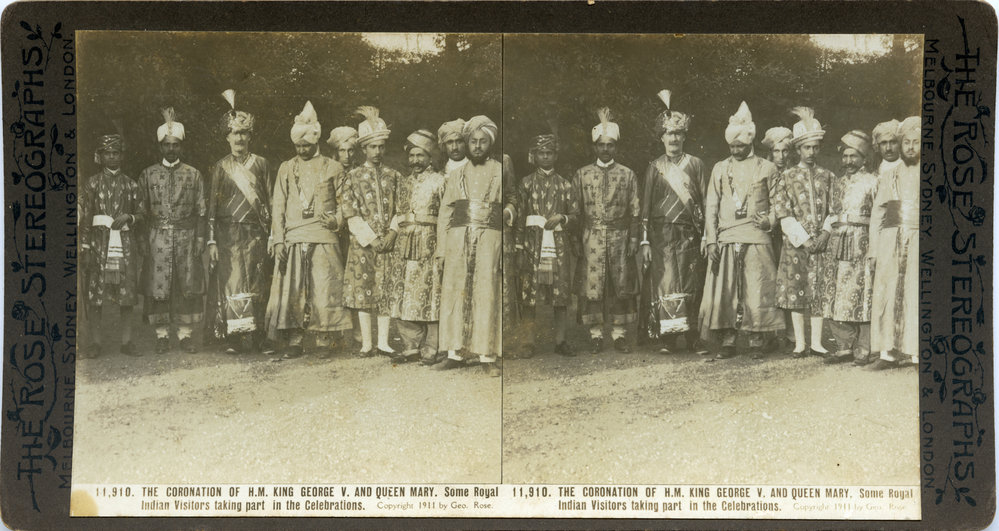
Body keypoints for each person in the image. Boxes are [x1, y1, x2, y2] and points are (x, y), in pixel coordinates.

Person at [265, 101, 352, 359]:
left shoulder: (333, 168)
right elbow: (278, 206)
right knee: (294, 289)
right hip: (293, 238)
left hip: (324, 238)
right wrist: (278, 241)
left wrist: (336, 221)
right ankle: (295, 338)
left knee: (323, 286)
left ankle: (324, 337)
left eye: (307, 145)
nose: (302, 150)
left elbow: (344, 203)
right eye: (298, 146)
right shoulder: (286, 168)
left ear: (317, 143)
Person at [699, 102, 784, 359]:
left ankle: (757, 339)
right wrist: (711, 241)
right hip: (726, 237)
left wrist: (770, 221)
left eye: (741, 147)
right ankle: (728, 339)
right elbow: (711, 206)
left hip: (757, 237)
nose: (736, 151)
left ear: (751, 144)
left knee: (756, 287)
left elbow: (779, 202)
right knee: (726, 289)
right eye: (732, 147)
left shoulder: (767, 168)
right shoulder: (720, 168)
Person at [638, 90, 707, 355]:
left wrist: (706, 236)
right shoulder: (654, 167)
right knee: (665, 283)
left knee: (691, 282)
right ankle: (668, 338)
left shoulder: (696, 164)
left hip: (690, 234)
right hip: (661, 235)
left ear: (684, 137)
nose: (674, 139)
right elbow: (645, 207)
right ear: (662, 137)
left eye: (678, 134)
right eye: (669, 134)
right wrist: (644, 241)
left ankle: (692, 338)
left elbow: (704, 200)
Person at [434, 115, 504, 376]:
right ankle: (454, 353)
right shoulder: (457, 173)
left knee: (486, 290)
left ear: (490, 143)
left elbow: (512, 201)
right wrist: (442, 249)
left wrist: (508, 212)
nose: (477, 146)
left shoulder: (500, 170)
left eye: (482, 142)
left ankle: (487, 355)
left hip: (489, 236)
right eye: (472, 141)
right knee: (456, 289)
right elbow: (446, 211)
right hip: (458, 238)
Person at [206, 90, 273, 354]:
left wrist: (273, 235)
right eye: (235, 133)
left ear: (250, 137)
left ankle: (258, 337)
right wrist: (211, 240)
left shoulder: (262, 164)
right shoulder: (220, 167)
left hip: (256, 234)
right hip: (228, 236)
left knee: (257, 281)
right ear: (227, 137)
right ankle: (234, 337)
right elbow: (211, 207)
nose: (239, 138)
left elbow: (270, 201)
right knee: (232, 282)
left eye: (244, 133)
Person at [138, 108, 206, 354]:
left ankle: (185, 335)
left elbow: (201, 211)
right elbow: (141, 212)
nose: (171, 149)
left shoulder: (194, 174)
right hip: (158, 239)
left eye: (175, 145)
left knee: (185, 285)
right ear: (160, 147)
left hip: (187, 239)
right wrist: (142, 240)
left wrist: (200, 238)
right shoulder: (147, 175)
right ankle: (162, 335)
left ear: (181, 146)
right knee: (160, 287)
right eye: (167, 145)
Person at [572, 107, 641, 354]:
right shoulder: (582, 175)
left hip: (620, 238)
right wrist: (576, 240)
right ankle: (596, 335)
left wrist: (634, 237)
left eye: (610, 145)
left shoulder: (628, 174)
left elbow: (635, 210)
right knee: (594, 286)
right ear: (594, 147)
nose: (605, 149)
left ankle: (620, 334)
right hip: (591, 238)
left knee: (619, 285)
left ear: (616, 147)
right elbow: (576, 211)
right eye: (601, 145)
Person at [341, 106, 401, 358]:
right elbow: (349, 212)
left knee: (385, 289)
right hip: (363, 244)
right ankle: (367, 343)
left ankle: (384, 342)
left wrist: (391, 234)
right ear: (363, 149)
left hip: (388, 243)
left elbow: (402, 208)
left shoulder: (395, 176)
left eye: (381, 147)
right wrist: (372, 238)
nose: (377, 152)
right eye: (372, 147)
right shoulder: (353, 177)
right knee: (364, 290)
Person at [774, 106, 833, 358]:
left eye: (814, 147)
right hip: (797, 243)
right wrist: (804, 238)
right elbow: (783, 213)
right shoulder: (786, 177)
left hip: (821, 243)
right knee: (797, 290)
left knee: (818, 289)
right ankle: (799, 343)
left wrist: (825, 234)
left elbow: (835, 208)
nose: (811, 152)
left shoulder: (828, 176)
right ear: (797, 149)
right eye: (806, 148)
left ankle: (817, 342)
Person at [80, 133, 144, 358]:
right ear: (101, 155)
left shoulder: (131, 184)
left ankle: (126, 341)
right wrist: (85, 247)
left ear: (122, 155)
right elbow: (86, 217)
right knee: (97, 294)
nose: (112, 157)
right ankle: (96, 342)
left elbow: (142, 213)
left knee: (125, 294)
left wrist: (129, 217)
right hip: (99, 244)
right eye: (108, 153)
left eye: (116, 153)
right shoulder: (92, 183)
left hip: (125, 244)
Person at [516, 128, 579, 357]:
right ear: (534, 155)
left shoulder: (565, 185)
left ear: (556, 155)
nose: (545, 157)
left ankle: (561, 340)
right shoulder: (525, 184)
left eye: (550, 153)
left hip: (558, 245)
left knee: (560, 293)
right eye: (541, 153)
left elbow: (576, 215)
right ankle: (527, 341)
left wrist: (562, 217)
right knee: (529, 293)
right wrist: (519, 247)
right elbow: (520, 217)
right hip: (533, 243)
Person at [820, 130, 879, 365]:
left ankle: (864, 347)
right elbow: (833, 212)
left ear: (864, 158)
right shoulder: (839, 182)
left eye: (853, 156)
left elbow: (879, 215)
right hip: (838, 241)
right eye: (845, 157)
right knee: (836, 291)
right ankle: (844, 345)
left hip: (862, 241)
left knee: (863, 292)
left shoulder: (874, 181)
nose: (848, 162)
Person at [388, 129, 446, 365]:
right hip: (404, 243)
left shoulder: (441, 181)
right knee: (404, 292)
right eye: (412, 156)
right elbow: (397, 212)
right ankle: (411, 346)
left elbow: (446, 216)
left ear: (430, 156)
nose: (415, 161)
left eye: (420, 156)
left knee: (431, 294)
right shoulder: (404, 182)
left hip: (430, 242)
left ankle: (432, 348)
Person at [868, 116, 920, 370]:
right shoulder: (890, 175)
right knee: (887, 293)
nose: (910, 148)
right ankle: (886, 353)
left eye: (916, 143)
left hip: (919, 239)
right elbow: (878, 213)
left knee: (915, 292)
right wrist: (874, 250)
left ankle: (916, 353)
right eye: (906, 143)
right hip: (890, 240)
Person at [760, 126, 795, 351]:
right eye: (777, 152)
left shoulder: (794, 174)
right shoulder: (764, 172)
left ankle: (792, 334)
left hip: (790, 234)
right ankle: (770, 332)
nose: (781, 157)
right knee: (770, 279)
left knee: (791, 280)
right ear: (770, 153)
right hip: (770, 233)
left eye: (785, 151)